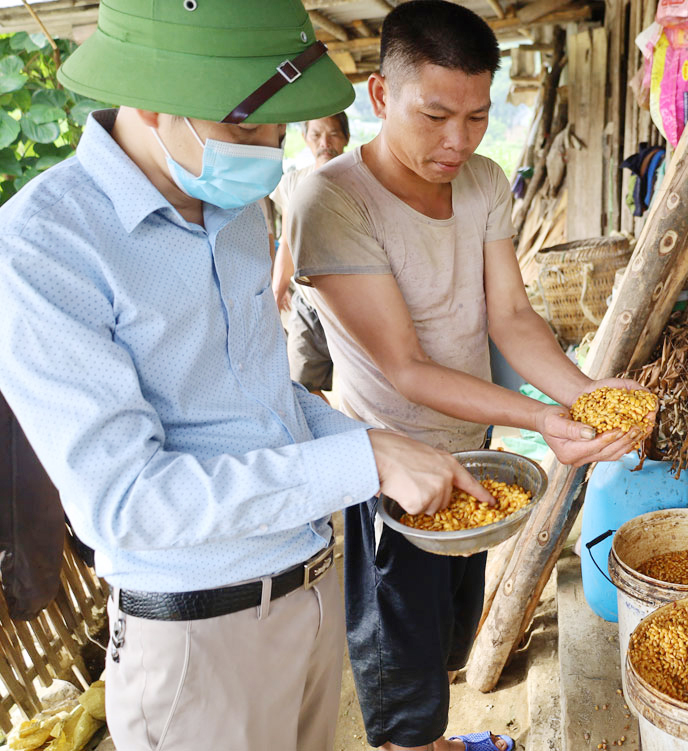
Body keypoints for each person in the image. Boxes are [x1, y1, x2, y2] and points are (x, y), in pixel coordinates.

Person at [0, 2, 492, 750]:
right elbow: (127, 501)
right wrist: (360, 459)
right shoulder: (44, 248)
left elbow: (268, 401)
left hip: (307, 594)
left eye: (279, 127)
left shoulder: (235, 210)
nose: (268, 150)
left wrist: (379, 443)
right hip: (201, 636)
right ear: (151, 97)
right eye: (243, 127)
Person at [288, 3, 653, 750]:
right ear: (380, 97)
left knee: (448, 643)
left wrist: (588, 396)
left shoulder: (485, 183)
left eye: (479, 116)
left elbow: (512, 316)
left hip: (473, 454)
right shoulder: (331, 200)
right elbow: (405, 366)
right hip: (396, 473)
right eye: (435, 115)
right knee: (403, 676)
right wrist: (544, 421)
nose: (458, 141)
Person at [271, 114, 350, 395]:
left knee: (362, 388)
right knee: (301, 385)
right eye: (316, 135)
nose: (324, 143)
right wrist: (277, 291)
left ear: (346, 138)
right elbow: (287, 242)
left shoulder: (361, 182)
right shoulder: (292, 183)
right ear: (305, 139)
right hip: (307, 303)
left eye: (333, 134)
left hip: (354, 302)